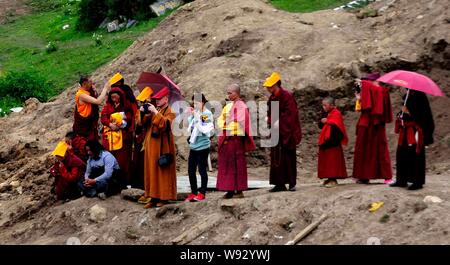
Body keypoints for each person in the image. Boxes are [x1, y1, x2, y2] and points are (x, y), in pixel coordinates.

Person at [263, 72, 302, 192]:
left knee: (288, 157)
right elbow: (271, 113)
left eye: (270, 86)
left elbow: (291, 114)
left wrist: (279, 121)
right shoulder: (273, 98)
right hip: (276, 132)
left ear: (276, 85)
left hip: (287, 132)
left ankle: (291, 183)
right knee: (276, 158)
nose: (268, 89)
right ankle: (279, 184)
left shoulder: (287, 96)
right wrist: (269, 120)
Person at [216, 84, 256, 199]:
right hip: (226, 139)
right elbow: (220, 120)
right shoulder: (228, 107)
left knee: (237, 165)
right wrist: (225, 123)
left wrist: (227, 124)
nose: (228, 95)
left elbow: (239, 123)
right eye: (227, 93)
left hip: (235, 139)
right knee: (226, 165)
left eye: (230, 93)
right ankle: (229, 190)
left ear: (237, 93)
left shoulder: (242, 106)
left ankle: (239, 191)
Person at [352, 73, 393, 184]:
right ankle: (363, 176)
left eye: (368, 82)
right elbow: (363, 107)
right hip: (365, 123)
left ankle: (386, 176)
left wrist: (363, 83)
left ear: (375, 81)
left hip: (376, 124)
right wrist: (359, 98)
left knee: (380, 150)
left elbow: (375, 93)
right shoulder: (368, 91)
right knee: (362, 150)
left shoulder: (382, 91)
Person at [391, 90, 435, 190]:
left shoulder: (420, 95)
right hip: (405, 131)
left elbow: (424, 114)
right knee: (401, 154)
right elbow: (404, 112)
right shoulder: (407, 94)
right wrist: (401, 113)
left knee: (416, 155)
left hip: (415, 131)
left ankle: (417, 182)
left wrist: (409, 112)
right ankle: (401, 180)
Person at [140, 87, 177, 208]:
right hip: (151, 147)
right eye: (156, 99)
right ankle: (153, 196)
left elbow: (165, 125)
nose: (157, 101)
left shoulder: (170, 112)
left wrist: (155, 112)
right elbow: (143, 124)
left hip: (163, 147)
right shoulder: (156, 110)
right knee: (152, 171)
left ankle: (164, 197)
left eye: (159, 99)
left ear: (166, 99)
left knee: (162, 172)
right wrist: (144, 111)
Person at [185, 93, 214, 202]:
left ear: (203, 102)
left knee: (202, 170)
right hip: (193, 146)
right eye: (194, 103)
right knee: (191, 170)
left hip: (202, 146)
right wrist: (191, 115)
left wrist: (196, 116)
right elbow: (189, 126)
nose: (195, 105)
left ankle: (202, 192)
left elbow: (203, 129)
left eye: (197, 103)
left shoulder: (207, 113)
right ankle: (193, 192)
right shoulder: (195, 113)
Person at [101, 88, 133, 186]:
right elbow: (103, 117)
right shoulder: (108, 106)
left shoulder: (126, 105)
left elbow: (130, 117)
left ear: (121, 96)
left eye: (116, 96)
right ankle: (112, 183)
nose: (114, 98)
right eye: (112, 97)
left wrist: (120, 121)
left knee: (123, 161)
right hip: (110, 137)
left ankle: (124, 183)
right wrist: (110, 124)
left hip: (122, 137)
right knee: (110, 160)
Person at [317, 97, 348, 187]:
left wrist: (328, 121)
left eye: (325, 105)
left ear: (331, 105)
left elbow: (338, 127)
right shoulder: (325, 113)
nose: (323, 107)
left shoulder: (336, 113)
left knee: (332, 162)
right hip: (325, 140)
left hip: (333, 141)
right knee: (326, 162)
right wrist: (322, 122)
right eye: (322, 105)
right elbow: (320, 125)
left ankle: (333, 179)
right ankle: (328, 178)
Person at [73, 76, 109, 142]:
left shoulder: (88, 90)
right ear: (84, 84)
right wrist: (105, 88)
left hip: (91, 122)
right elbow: (98, 101)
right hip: (84, 124)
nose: (92, 83)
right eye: (89, 82)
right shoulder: (81, 94)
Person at [133, 86, 153, 191]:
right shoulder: (140, 110)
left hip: (148, 137)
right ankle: (139, 184)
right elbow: (138, 124)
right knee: (139, 160)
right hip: (140, 137)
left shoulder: (152, 109)